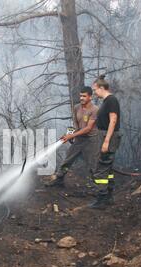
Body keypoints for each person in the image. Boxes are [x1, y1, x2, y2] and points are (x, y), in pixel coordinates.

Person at [46, 86, 99, 192]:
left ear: (90, 97)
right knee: (68, 160)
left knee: (94, 165)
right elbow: (75, 123)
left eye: (84, 96)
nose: (82, 98)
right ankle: (59, 179)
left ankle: (98, 189)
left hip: (91, 140)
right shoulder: (76, 107)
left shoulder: (95, 110)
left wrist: (71, 136)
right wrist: (69, 133)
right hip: (79, 140)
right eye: (80, 96)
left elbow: (88, 128)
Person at [89, 75, 122, 209]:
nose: (94, 93)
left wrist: (106, 141)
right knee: (107, 169)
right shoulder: (107, 101)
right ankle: (108, 197)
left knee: (100, 170)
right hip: (105, 136)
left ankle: (102, 198)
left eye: (95, 90)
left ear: (102, 88)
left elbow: (113, 121)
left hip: (109, 137)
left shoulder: (111, 100)